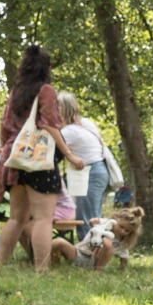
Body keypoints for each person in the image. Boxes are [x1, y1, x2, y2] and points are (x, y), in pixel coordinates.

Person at [0, 44, 85, 270]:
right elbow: (50, 125)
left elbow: (5, 127)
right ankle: (42, 269)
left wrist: (8, 152)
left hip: (16, 158)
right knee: (43, 217)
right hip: (40, 159)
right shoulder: (46, 91)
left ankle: (0, 266)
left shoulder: (15, 92)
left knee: (16, 217)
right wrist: (69, 155)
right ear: (46, 68)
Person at [56, 92, 110, 239]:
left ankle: (87, 255)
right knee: (95, 217)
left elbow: (53, 155)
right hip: (100, 171)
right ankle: (97, 253)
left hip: (89, 174)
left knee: (86, 218)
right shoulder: (86, 123)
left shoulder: (67, 132)